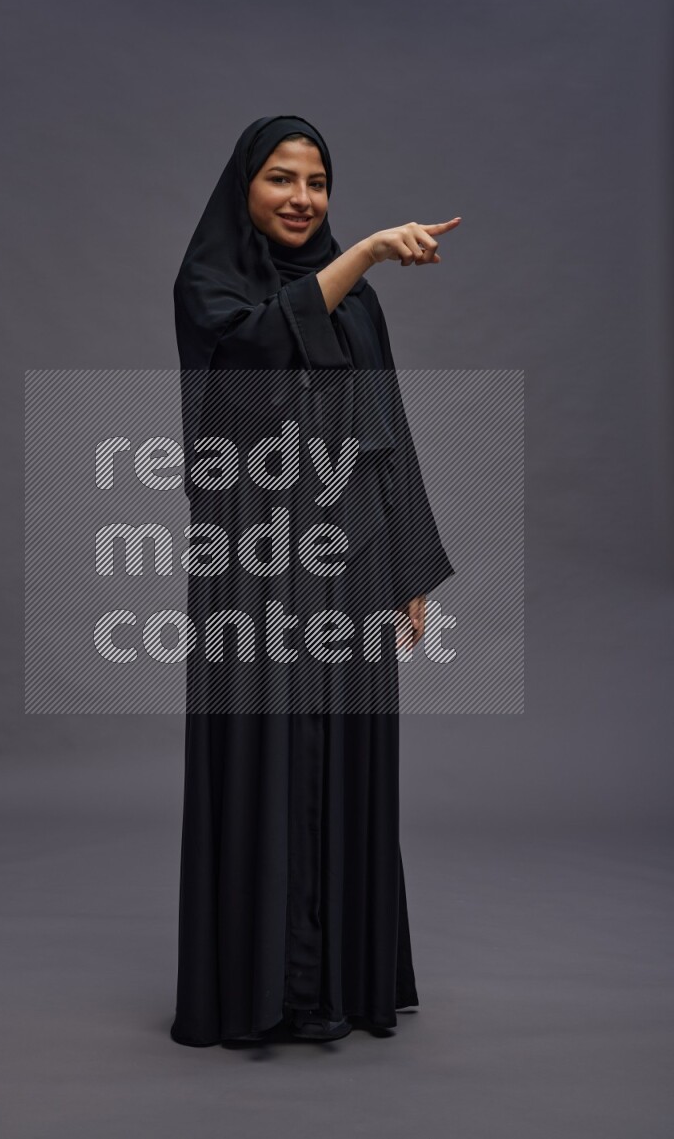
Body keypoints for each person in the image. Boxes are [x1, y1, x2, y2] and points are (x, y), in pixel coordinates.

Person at [169, 115, 458, 1046]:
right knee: (265, 748)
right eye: (282, 179)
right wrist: (369, 250)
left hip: (351, 557)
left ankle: (338, 982)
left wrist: (409, 562)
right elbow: (256, 356)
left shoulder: (359, 305)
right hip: (253, 557)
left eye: (318, 182)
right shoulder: (208, 286)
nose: (302, 198)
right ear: (245, 187)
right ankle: (261, 990)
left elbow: (388, 428)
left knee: (343, 748)